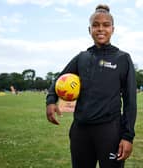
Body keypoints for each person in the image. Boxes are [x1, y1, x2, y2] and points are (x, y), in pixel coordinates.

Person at [46, 4, 137, 168]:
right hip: (80, 131)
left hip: (110, 131)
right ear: (89, 30)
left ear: (113, 29)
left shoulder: (122, 58)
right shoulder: (82, 57)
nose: (100, 29)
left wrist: (128, 136)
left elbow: (131, 101)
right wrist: (51, 100)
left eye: (105, 25)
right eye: (95, 25)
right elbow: (59, 79)